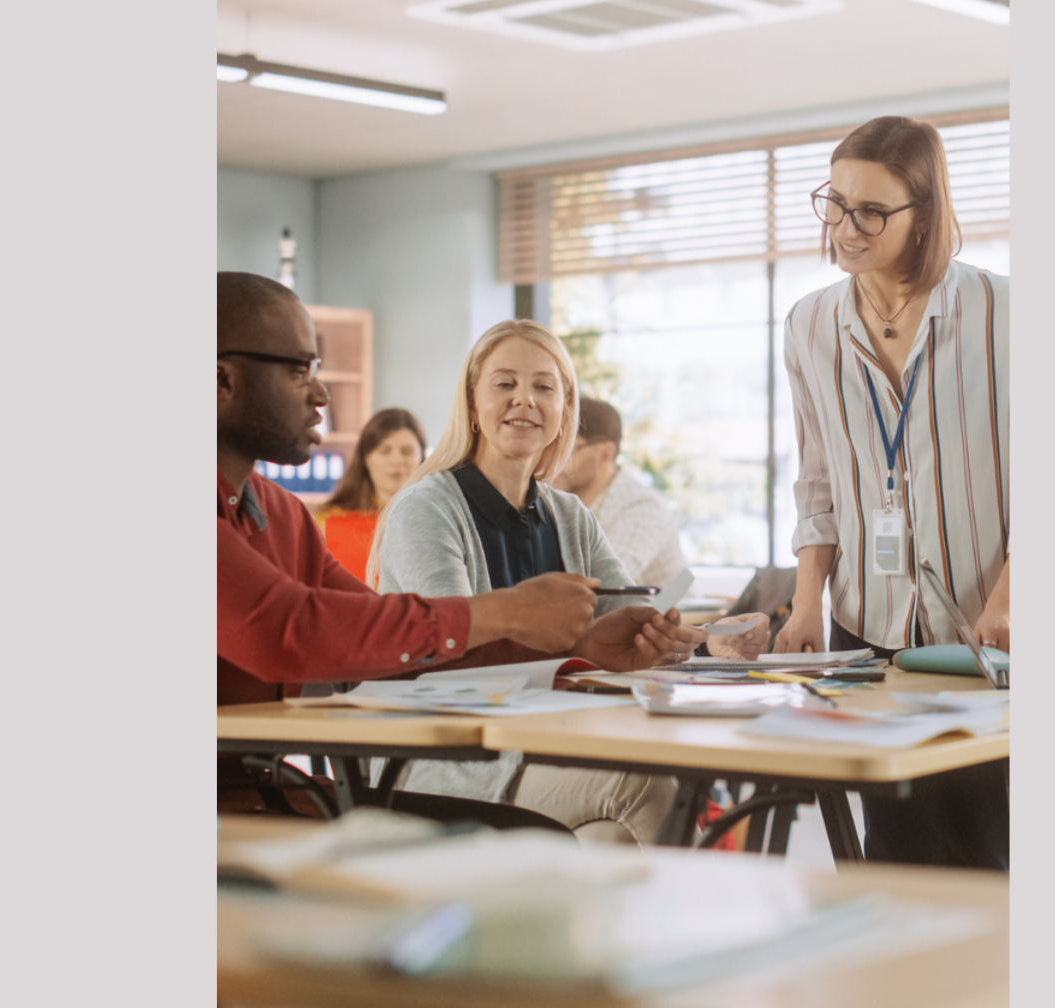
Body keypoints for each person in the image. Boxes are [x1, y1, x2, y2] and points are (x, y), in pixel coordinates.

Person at [370, 319, 769, 845]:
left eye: (543, 387)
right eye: (505, 384)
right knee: (648, 786)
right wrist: (582, 651)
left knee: (613, 839)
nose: (525, 401)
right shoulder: (426, 508)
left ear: (564, 412)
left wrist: (709, 642)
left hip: (549, 744)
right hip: (449, 759)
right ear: (472, 405)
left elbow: (630, 636)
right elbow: (453, 658)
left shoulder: (570, 516)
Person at [217, 273, 689, 713]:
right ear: (221, 381)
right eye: (299, 370)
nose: (321, 393)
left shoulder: (284, 515)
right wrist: (510, 612)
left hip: (281, 791)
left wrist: (587, 647)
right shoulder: (427, 506)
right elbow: (287, 630)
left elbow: (378, 630)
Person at [771, 117, 1010, 869]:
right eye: (834, 202)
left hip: (989, 631)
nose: (845, 228)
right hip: (866, 628)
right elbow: (817, 477)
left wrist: (1010, 599)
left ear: (925, 216)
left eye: (871, 212)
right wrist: (807, 601)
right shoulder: (810, 325)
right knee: (891, 861)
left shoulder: (1007, 314)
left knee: (988, 857)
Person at [552, 397, 689, 590]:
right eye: (553, 446)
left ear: (606, 454)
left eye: (570, 449)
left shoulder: (642, 508)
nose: (555, 460)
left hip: (676, 617)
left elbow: (601, 586)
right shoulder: (563, 503)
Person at [313, 408, 427, 585]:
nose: (397, 460)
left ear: (421, 458)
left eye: (406, 452)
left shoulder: (435, 518)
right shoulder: (328, 520)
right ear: (367, 458)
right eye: (385, 450)